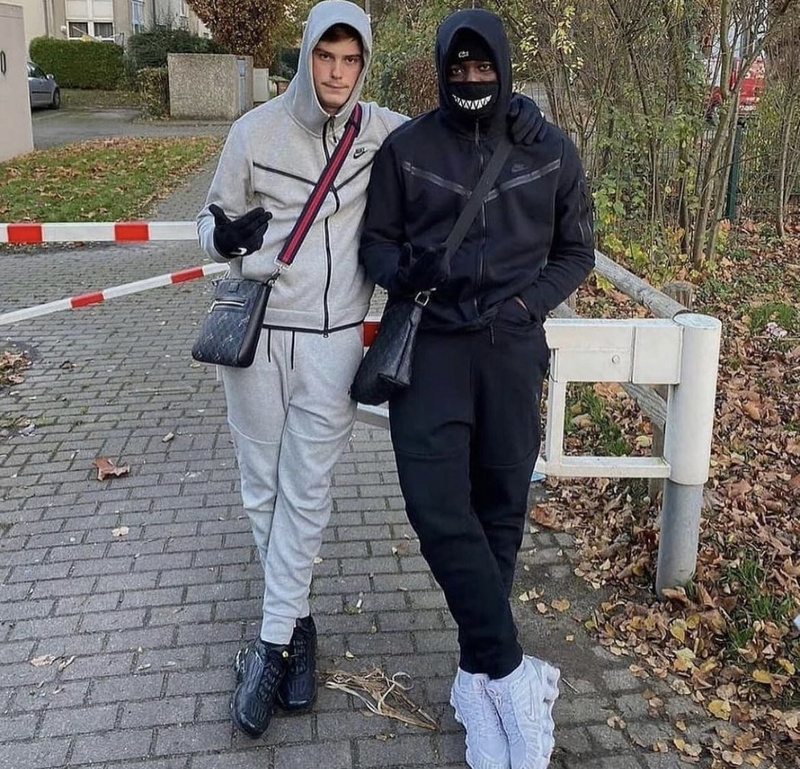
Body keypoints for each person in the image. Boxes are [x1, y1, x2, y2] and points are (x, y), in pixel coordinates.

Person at [197, 0, 548, 741]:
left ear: (363, 64)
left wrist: (516, 117)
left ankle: (269, 648)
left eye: (350, 60)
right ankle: (296, 624)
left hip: (334, 344)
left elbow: (455, 125)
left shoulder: (382, 131)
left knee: (307, 494)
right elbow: (211, 220)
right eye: (325, 57)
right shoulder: (251, 133)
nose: (336, 72)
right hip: (257, 335)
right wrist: (224, 239)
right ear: (305, 57)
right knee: (263, 489)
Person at [359, 8, 595, 769]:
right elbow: (375, 243)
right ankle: (516, 673)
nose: (470, 79)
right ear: (440, 70)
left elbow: (577, 250)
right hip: (429, 351)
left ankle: (476, 679)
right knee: (436, 509)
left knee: (500, 511)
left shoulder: (548, 148)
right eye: (457, 68)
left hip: (510, 352)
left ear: (504, 66)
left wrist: (527, 305)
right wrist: (406, 272)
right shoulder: (407, 149)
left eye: (482, 67)